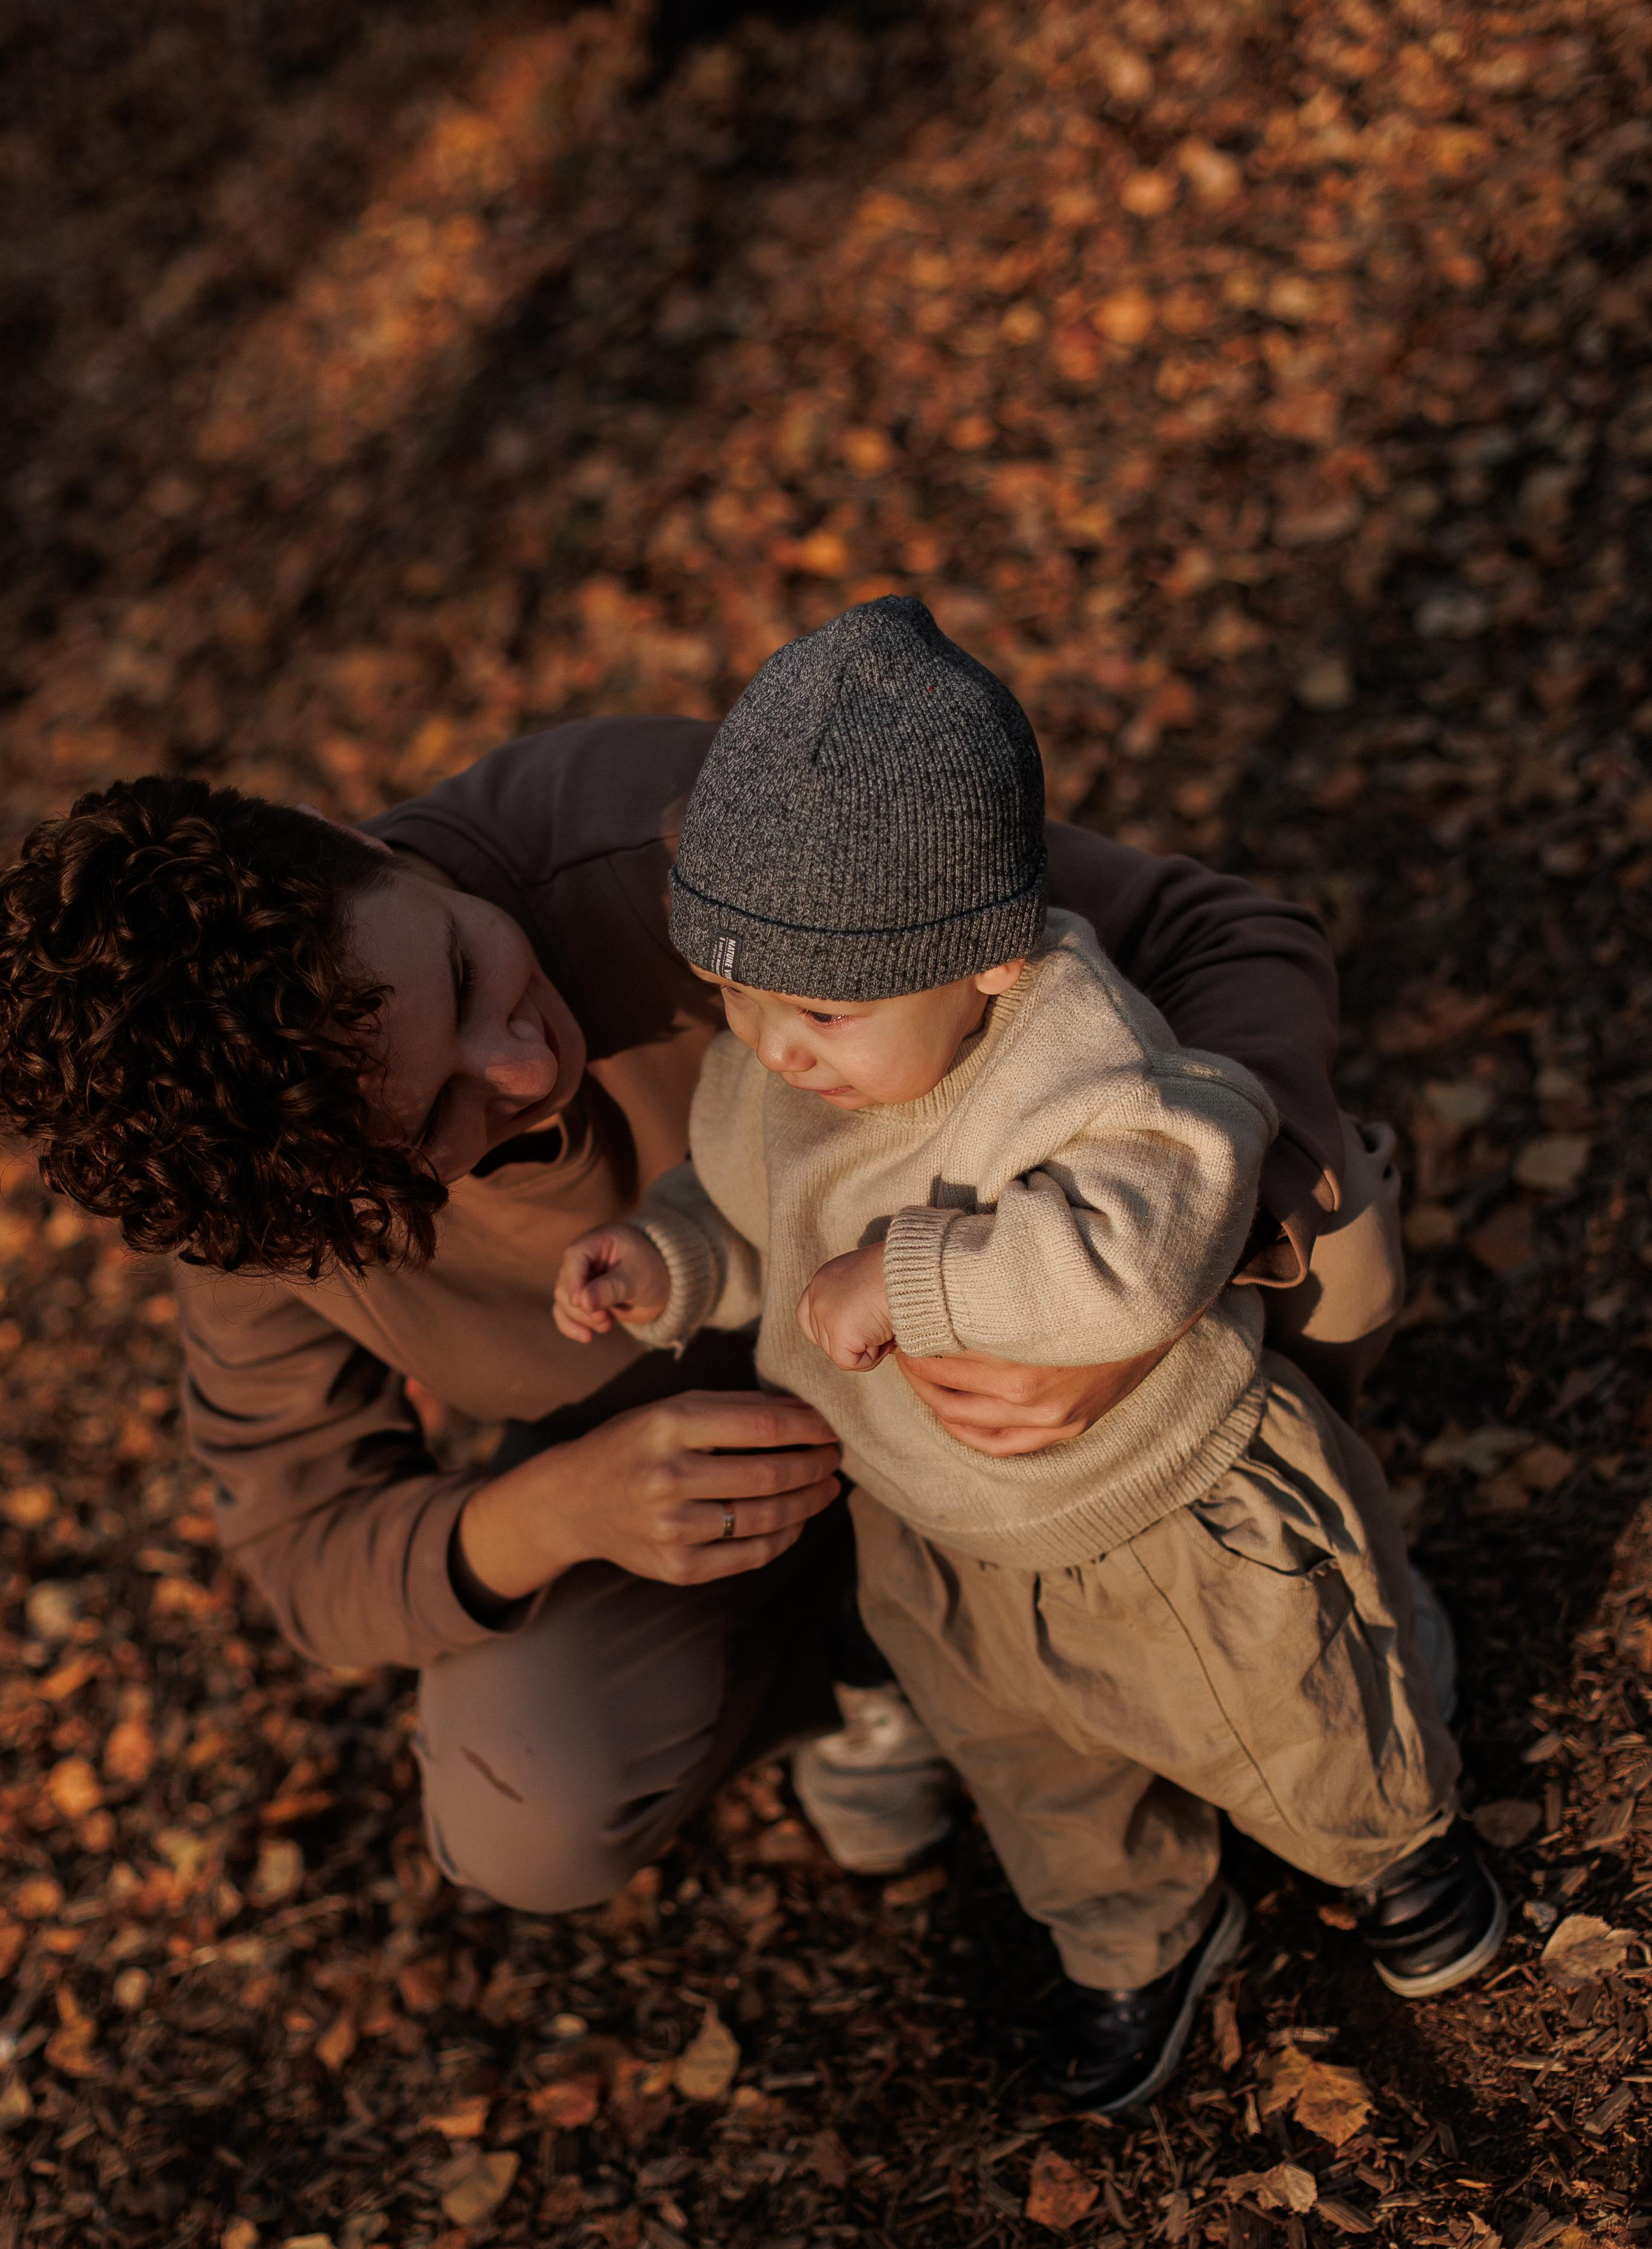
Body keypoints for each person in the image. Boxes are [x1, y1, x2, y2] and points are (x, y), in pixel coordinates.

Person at [0, 669, 1404, 1991]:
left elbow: (1220, 935)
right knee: (521, 1802)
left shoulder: (645, 827)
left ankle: (1270, 1553)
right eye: (438, 1125)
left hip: (998, 1288)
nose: (525, 1067)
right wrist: (556, 1510)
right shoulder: (266, 1203)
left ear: (331, 835)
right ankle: (867, 1663)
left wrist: (1136, 1305)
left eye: (465, 971)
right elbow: (306, 1550)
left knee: (1333, 1243)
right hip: (732, 1466)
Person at [553, 599, 1504, 2110]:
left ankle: (1396, 1844)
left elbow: (1155, 1222)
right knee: (1037, 1774)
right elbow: (753, 1211)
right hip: (938, 1529)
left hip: (1155, 1513)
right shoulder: (779, 1072)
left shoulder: (1071, 1053)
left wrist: (919, 1277)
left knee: (1284, 1706)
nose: (772, 1046)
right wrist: (666, 1259)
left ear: (986, 963)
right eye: (731, 995)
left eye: (815, 1007)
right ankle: (1136, 1933)